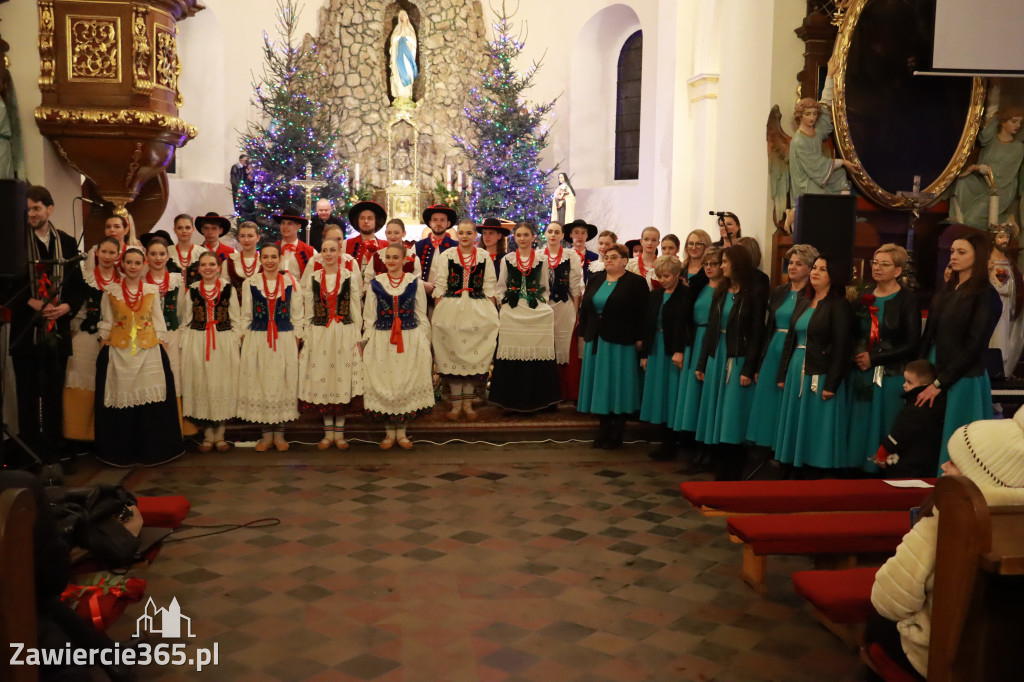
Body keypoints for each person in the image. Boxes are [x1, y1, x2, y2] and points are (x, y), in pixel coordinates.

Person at [868, 410, 1024, 681]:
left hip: (938, 658)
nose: (944, 467)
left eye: (953, 462)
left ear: (977, 473)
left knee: (876, 621)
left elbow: (890, 600)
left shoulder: (947, 519)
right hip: (1008, 662)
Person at [10, 185, 84, 457]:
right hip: (26, 331)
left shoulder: (65, 242)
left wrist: (66, 306)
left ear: (49, 210)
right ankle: (29, 452)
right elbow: (4, 286)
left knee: (53, 394)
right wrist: (31, 303)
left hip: (57, 332)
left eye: (36, 208)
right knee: (27, 394)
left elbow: (78, 285)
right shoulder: (13, 242)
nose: (31, 214)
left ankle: (53, 452)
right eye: (27, 209)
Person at [917, 232, 1002, 467]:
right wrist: (920, 370)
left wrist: (940, 383)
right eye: (952, 251)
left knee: (957, 444)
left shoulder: (985, 295)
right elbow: (930, 334)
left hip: (962, 377)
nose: (953, 256)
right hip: (937, 370)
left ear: (978, 256)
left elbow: (975, 346)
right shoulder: (949, 290)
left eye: (961, 252)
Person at [94, 247, 183, 466]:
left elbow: (158, 319)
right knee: (122, 402)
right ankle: (122, 451)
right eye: (129, 262)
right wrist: (104, 344)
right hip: (120, 350)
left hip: (147, 350)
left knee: (151, 403)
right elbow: (107, 320)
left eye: (137, 263)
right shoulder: (111, 290)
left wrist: (161, 344)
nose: (133, 266)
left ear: (143, 265)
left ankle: (153, 450)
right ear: (122, 264)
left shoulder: (151, 290)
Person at [774, 255, 853, 473]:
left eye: (823, 269)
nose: (815, 272)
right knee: (795, 422)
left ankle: (814, 471)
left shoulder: (838, 305)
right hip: (795, 369)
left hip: (820, 371)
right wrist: (782, 375)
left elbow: (841, 347)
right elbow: (790, 339)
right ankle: (792, 468)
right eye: (815, 268)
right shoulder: (803, 301)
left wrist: (832, 383)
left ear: (832, 276)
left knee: (817, 426)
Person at [693, 245, 767, 480]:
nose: (721, 266)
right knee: (716, 411)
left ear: (738, 263)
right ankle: (719, 463)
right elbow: (712, 329)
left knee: (733, 414)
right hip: (718, 355)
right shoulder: (722, 290)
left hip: (738, 357)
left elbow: (757, 332)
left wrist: (749, 367)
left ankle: (733, 467)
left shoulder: (752, 292)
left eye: (725, 261)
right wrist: (702, 363)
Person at [848, 244, 922, 469]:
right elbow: (852, 331)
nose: (877, 268)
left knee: (886, 422)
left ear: (898, 271)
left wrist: (875, 359)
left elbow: (912, 344)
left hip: (891, 375)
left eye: (885, 264)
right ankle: (856, 469)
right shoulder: (864, 294)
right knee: (860, 423)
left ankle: (883, 470)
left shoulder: (907, 300)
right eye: (875, 263)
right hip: (862, 373)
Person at [362, 244, 434, 448]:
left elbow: (421, 314)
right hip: (382, 339)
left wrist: (424, 339)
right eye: (388, 257)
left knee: (404, 381)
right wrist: (366, 341)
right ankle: (388, 433)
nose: (391, 261)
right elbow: (369, 317)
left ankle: (401, 433)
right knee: (386, 381)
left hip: (409, 337)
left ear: (405, 260)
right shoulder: (376, 283)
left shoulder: (414, 283)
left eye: (396, 257)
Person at [747, 243, 818, 450]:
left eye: (799, 264)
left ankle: (785, 446)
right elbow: (769, 325)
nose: (792, 267)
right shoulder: (780, 290)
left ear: (809, 268)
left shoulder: (811, 294)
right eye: (791, 263)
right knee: (768, 401)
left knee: (786, 399)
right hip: (773, 348)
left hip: (794, 348)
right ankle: (767, 445)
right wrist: (760, 360)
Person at [578, 243, 649, 447]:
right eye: (607, 256)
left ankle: (617, 432)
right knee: (600, 386)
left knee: (619, 386)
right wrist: (585, 332)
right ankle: (603, 429)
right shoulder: (596, 279)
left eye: (614, 257)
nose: (608, 259)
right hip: (597, 340)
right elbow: (586, 308)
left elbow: (643, 314)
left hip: (621, 341)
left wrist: (641, 339)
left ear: (625, 261)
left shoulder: (636, 282)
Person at [430, 219, 499, 420]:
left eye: (469, 233)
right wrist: (438, 312)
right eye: (462, 233)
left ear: (475, 235)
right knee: (453, 353)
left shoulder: (484, 256)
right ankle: (456, 403)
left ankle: (468, 404)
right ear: (457, 235)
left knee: (472, 356)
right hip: (451, 308)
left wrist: (492, 313)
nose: (465, 236)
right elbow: (440, 285)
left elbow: (489, 286)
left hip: (478, 309)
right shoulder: (447, 256)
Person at [489, 222, 562, 412]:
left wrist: (541, 303)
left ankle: (541, 398)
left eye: (526, 235)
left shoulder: (541, 260)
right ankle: (509, 399)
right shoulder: (508, 259)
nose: (522, 238)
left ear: (533, 237)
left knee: (545, 322)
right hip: (513, 308)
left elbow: (544, 287)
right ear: (515, 237)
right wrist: (504, 303)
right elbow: (500, 287)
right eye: (519, 235)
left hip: (534, 307)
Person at [299, 237, 363, 450]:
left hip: (344, 332)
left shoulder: (350, 277)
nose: (328, 254)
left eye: (332, 250)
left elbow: (355, 309)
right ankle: (328, 433)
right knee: (324, 378)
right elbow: (308, 310)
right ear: (320, 254)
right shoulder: (313, 278)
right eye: (325, 250)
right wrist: (307, 335)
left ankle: (340, 432)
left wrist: (356, 336)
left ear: (340, 252)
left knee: (340, 378)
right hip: (320, 333)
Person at [238, 243, 303, 452]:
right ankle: (266, 435)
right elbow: (246, 315)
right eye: (265, 257)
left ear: (280, 258)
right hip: (258, 338)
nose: (269, 261)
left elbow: (297, 314)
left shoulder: (290, 282)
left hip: (284, 338)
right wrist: (245, 341)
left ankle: (280, 434)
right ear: (260, 259)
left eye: (273, 257)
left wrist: (297, 339)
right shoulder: (251, 283)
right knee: (262, 382)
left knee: (282, 382)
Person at [179, 251, 241, 453]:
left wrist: (232, 341)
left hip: (222, 341)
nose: (207, 268)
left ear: (218, 267)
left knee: (221, 383)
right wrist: (187, 343)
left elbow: (236, 319)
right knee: (203, 383)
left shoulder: (228, 289)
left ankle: (220, 434)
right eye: (203, 264)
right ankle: (207, 434)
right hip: (198, 340)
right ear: (198, 269)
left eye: (211, 264)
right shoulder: (192, 291)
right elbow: (186, 320)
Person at [63, 237, 120, 443]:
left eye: (112, 253)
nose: (107, 256)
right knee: (80, 381)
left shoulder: (122, 281)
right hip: (86, 335)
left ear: (118, 256)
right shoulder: (86, 278)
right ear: (97, 253)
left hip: (116, 339)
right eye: (103, 251)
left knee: (111, 385)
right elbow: (78, 310)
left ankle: (107, 435)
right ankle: (77, 434)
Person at [671, 247, 724, 460]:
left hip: (716, 343)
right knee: (693, 395)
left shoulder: (729, 289)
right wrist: (680, 348)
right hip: (695, 343)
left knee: (710, 395)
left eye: (714, 264)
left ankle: (711, 448)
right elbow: (683, 318)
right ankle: (693, 445)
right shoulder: (697, 286)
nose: (709, 268)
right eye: (706, 264)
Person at [640, 256, 691, 460]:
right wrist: (644, 354)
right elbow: (647, 324)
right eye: (659, 276)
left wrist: (680, 350)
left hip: (674, 349)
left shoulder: (687, 295)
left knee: (673, 394)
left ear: (678, 275)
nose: (662, 280)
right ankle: (665, 441)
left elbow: (686, 325)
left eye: (667, 276)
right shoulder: (656, 295)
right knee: (659, 395)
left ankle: (676, 442)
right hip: (656, 348)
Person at [789, 56, 857, 197]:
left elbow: (825, 103)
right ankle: (794, 214)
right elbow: (817, 165)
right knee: (820, 193)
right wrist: (843, 161)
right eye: (808, 114)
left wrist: (830, 76)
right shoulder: (799, 140)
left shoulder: (816, 131)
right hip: (807, 181)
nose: (812, 117)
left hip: (819, 174)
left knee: (840, 176)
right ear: (800, 116)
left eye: (814, 114)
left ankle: (842, 211)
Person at [947, 106, 1024, 229]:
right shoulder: (991, 140)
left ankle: (1004, 219)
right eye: (1014, 121)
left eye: (1020, 122)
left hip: (1001, 187)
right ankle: (958, 218)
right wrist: (995, 118)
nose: (1018, 125)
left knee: (972, 219)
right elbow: (983, 137)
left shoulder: (1018, 147)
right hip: (982, 182)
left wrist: (977, 167)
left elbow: (1002, 168)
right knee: (963, 182)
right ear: (1003, 122)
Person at [870, 359, 945, 478]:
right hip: (924, 465)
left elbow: (901, 432)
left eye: (909, 382)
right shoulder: (934, 404)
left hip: (908, 468)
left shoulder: (916, 407)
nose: (904, 385)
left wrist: (883, 451)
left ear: (925, 386)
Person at [140, 231, 184, 399]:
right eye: (153, 254)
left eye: (161, 254)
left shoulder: (176, 280)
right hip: (148, 336)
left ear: (167, 256)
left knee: (172, 376)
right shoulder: (141, 282)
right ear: (147, 256)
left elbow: (181, 310)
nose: (157, 258)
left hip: (172, 335)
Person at [543, 222, 584, 401]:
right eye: (550, 231)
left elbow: (575, 287)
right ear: (545, 234)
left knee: (566, 348)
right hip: (543, 309)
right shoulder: (538, 256)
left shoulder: (570, 255)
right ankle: (548, 393)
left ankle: (568, 393)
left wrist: (575, 312)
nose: (553, 235)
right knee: (546, 347)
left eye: (556, 232)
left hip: (565, 307)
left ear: (562, 235)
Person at [988, 222, 1024, 377]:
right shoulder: (987, 262)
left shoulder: (1010, 263)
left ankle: (1004, 373)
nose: (1005, 240)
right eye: (1001, 236)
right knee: (995, 341)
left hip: (1008, 307)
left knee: (1006, 342)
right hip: (993, 309)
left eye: (1007, 237)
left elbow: (1017, 284)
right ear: (993, 239)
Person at [363, 218, 420, 288]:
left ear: (404, 233)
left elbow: (417, 285)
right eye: (389, 233)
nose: (392, 236)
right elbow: (368, 281)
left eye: (396, 233)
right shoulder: (377, 256)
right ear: (385, 233)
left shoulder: (413, 258)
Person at [416, 204, 458, 296]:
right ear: (430, 223)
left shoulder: (456, 247)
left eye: (442, 220)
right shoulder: (417, 246)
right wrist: (422, 284)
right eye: (435, 220)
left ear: (448, 223)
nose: (438, 223)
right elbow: (410, 273)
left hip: (448, 297)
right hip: (423, 295)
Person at [222, 220, 261, 302]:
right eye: (242, 236)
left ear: (258, 238)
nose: (246, 240)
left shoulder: (264, 261)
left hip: (259, 310)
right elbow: (224, 289)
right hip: (236, 309)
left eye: (250, 236)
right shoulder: (229, 262)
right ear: (238, 238)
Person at [274, 206, 316, 277]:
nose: (285, 226)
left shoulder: (310, 251)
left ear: (298, 227)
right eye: (283, 223)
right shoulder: (272, 249)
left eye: (289, 223)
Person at [345, 200, 388, 270]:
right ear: (357, 221)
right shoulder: (346, 244)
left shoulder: (386, 246)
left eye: (370, 218)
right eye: (362, 218)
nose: (366, 221)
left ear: (376, 221)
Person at [389, 9, 418, 102]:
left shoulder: (410, 29)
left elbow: (414, 42)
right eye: (400, 16)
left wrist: (406, 37)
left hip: (408, 56)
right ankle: (400, 96)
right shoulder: (397, 29)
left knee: (408, 72)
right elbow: (393, 42)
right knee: (398, 72)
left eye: (404, 16)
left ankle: (407, 95)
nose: (402, 18)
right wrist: (400, 35)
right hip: (399, 56)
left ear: (407, 17)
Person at [169, 213, 202, 285]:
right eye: (180, 228)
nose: (184, 231)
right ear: (174, 230)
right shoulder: (167, 252)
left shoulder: (202, 252)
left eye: (187, 228)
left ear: (193, 229)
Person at [566, 219, 599, 284]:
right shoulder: (564, 255)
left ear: (587, 235)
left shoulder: (594, 257)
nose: (580, 236)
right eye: (576, 232)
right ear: (571, 234)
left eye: (583, 233)